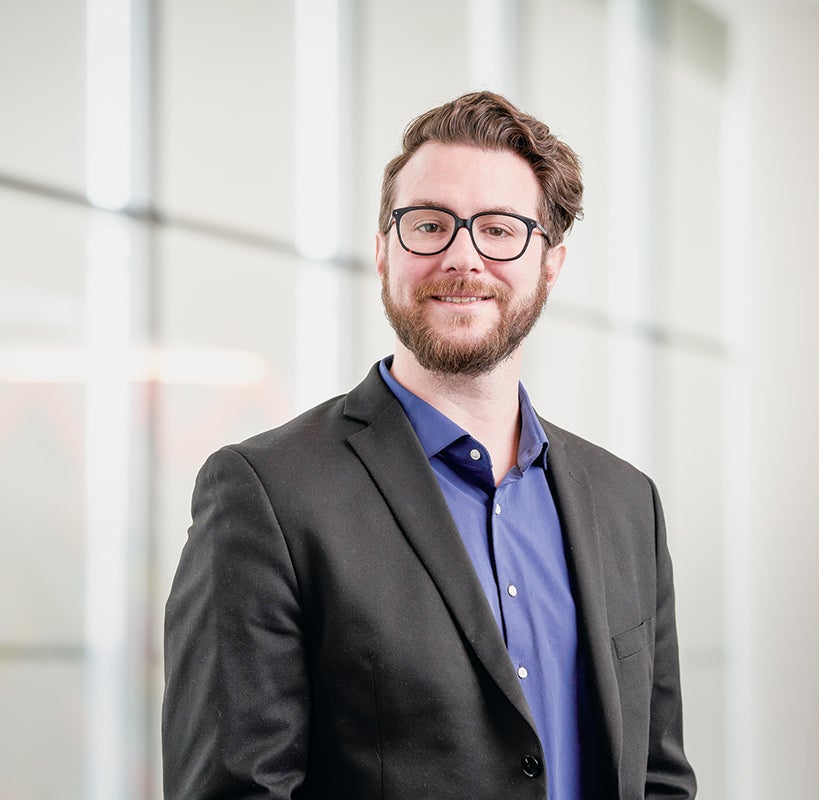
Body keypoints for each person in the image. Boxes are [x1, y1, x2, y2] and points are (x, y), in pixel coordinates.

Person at [162, 90, 696, 800]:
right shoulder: (267, 494)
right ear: (384, 251)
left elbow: (658, 777)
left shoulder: (629, 503)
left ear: (551, 263)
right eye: (430, 225)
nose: (462, 257)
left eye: (500, 230)